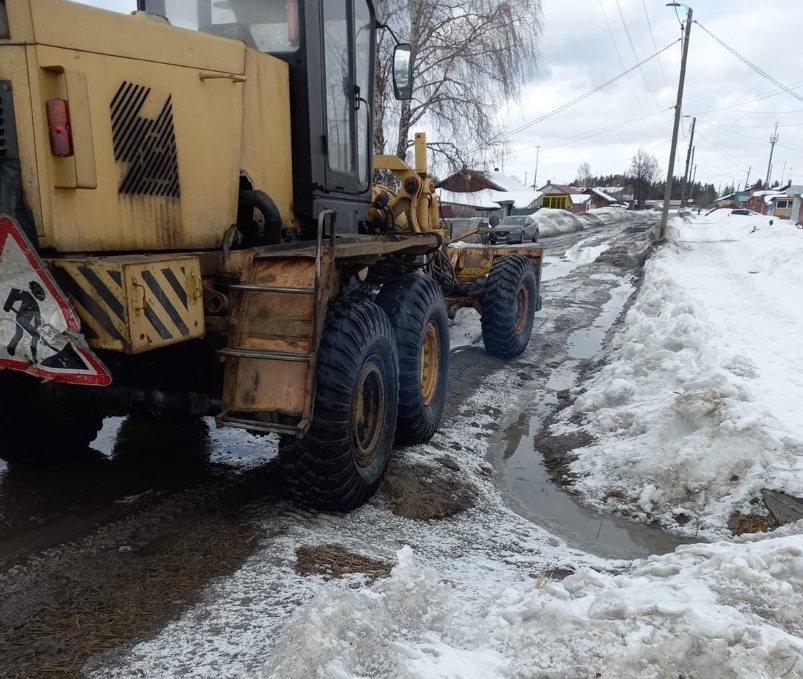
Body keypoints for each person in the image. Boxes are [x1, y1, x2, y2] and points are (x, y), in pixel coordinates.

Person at [4, 281, 47, 363]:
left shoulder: (35, 305)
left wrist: (38, 327)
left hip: (21, 319)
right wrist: (7, 305)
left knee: (19, 334)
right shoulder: (27, 295)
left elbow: (37, 319)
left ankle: (11, 347)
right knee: (35, 336)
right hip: (21, 319)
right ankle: (33, 355)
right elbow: (13, 293)